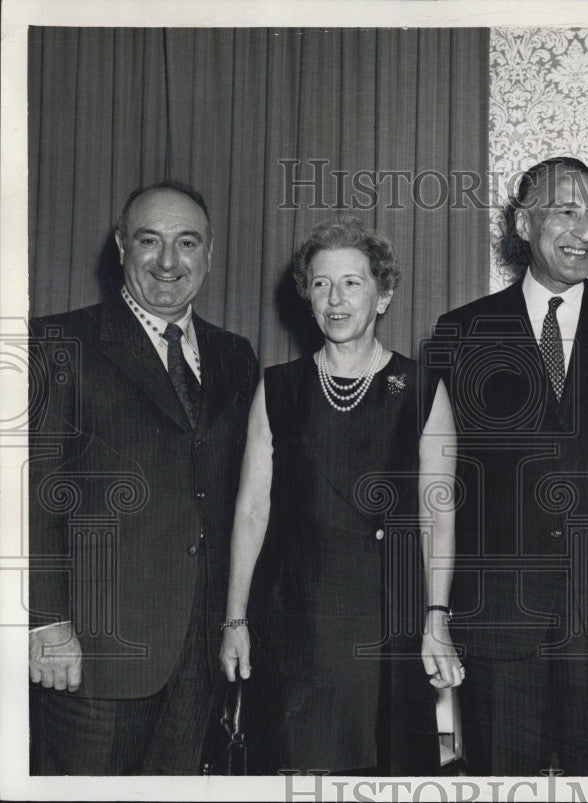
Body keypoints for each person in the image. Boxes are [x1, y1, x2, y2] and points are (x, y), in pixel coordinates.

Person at [423, 157, 588, 775]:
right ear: (523, 222)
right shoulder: (462, 332)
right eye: (566, 210)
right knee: (501, 782)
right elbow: (445, 484)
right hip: (498, 616)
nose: (584, 229)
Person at [28, 181, 259, 774]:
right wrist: (48, 622)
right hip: (93, 654)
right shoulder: (59, 342)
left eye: (187, 243)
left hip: (201, 653)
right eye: (149, 241)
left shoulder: (236, 354)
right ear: (121, 247)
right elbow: (30, 494)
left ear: (209, 251)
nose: (168, 261)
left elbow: (246, 496)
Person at [219, 216, 462, 775]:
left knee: (387, 768)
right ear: (307, 297)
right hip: (294, 621)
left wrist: (436, 618)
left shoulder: (421, 388)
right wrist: (235, 621)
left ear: (383, 295)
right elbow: (252, 510)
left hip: (388, 621)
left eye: (352, 282)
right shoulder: (278, 388)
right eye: (322, 283)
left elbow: (438, 517)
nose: (335, 298)